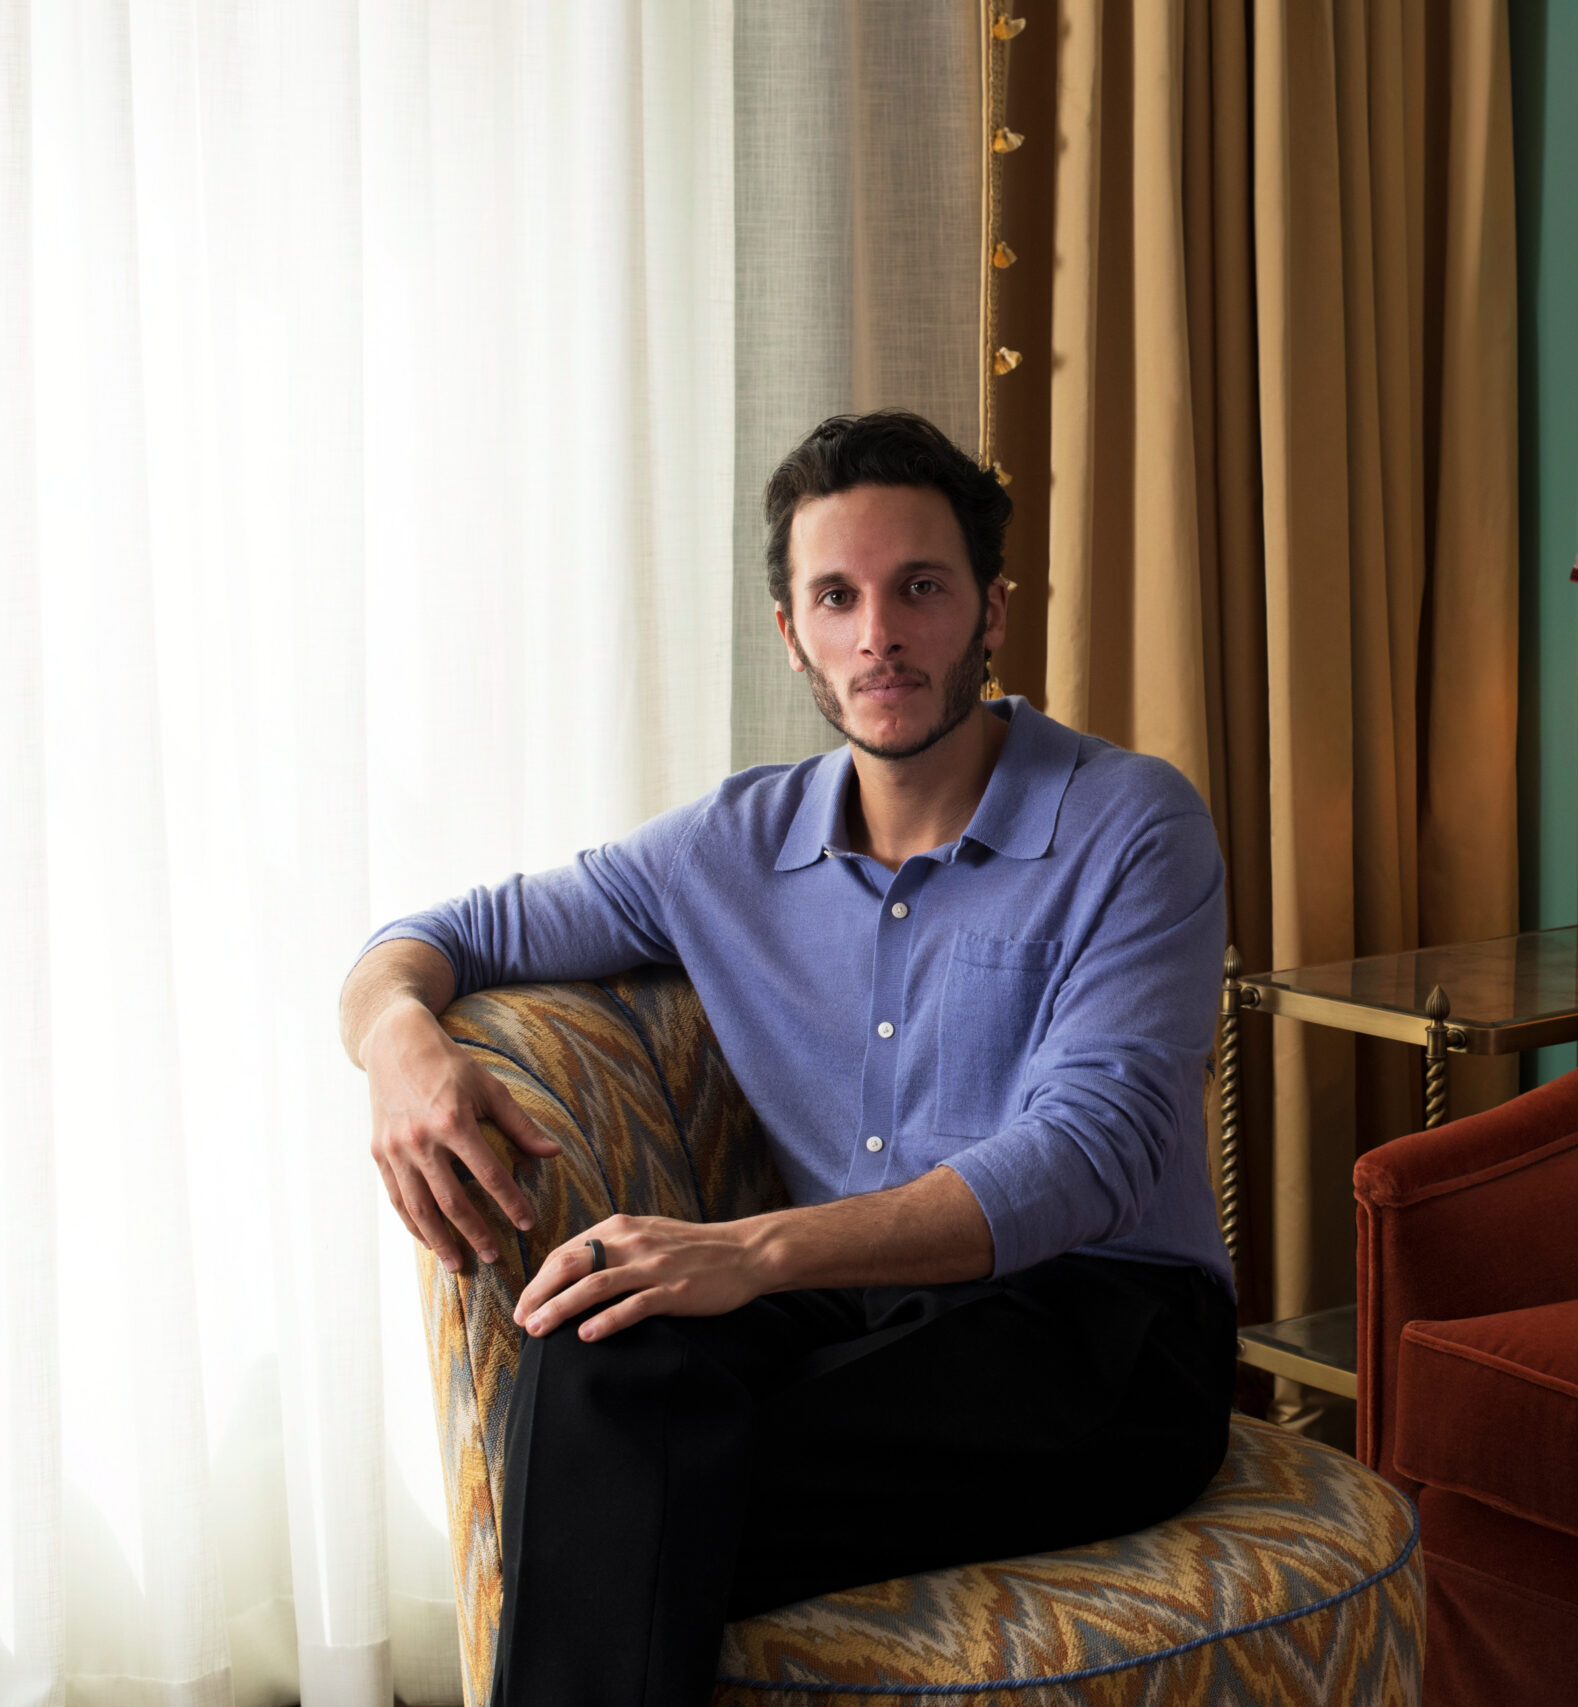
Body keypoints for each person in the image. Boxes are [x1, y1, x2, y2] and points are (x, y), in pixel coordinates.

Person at [338, 411, 1236, 1707]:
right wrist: (400, 1045)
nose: (880, 634)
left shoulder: (1130, 820)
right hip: (866, 1319)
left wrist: (750, 1251)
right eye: (838, 596)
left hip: (1104, 1326)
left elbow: (1092, 1153)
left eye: (921, 588)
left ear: (991, 607)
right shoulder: (731, 844)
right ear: (791, 632)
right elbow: (433, 938)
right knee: (599, 1350)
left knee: (622, 1504)